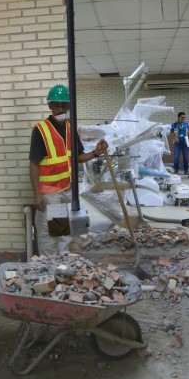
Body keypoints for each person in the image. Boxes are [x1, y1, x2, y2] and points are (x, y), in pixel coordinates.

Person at [29, 84, 108, 256]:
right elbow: (34, 163)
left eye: (64, 105)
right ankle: (48, 270)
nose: (60, 109)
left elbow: (77, 157)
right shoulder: (41, 130)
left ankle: (63, 269)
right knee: (50, 235)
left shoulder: (71, 128)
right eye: (56, 105)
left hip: (67, 189)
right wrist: (36, 194)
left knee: (64, 232)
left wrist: (95, 153)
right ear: (49, 106)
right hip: (51, 193)